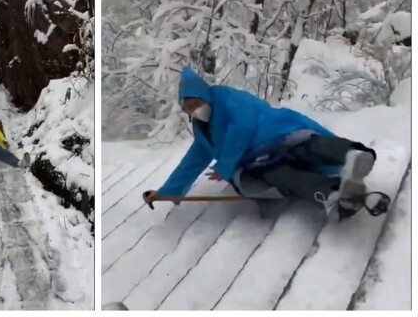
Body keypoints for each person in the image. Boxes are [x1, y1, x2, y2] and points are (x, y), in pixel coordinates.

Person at [142, 67, 386, 222]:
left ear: (204, 96)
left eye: (195, 103)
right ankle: (334, 196)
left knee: (306, 146)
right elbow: (192, 163)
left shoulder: (226, 97)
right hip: (257, 162)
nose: (195, 111)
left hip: (277, 133)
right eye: (189, 109)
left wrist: (225, 164)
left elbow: (244, 126)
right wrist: (166, 193)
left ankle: (352, 156)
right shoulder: (203, 132)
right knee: (284, 177)